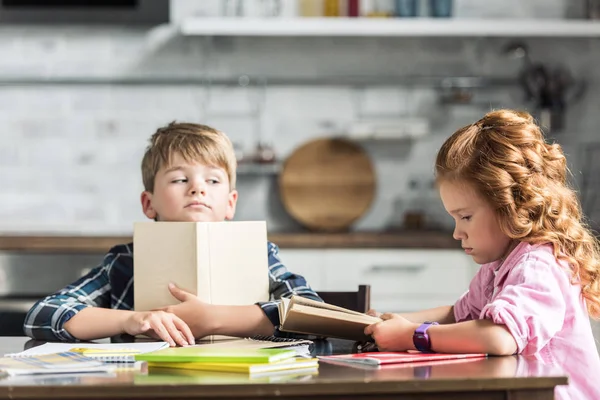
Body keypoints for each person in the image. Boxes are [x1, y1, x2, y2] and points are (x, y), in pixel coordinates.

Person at [365, 109, 600, 399]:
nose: (456, 233)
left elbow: (499, 337)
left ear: (510, 206)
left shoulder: (537, 265)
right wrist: (394, 321)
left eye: (465, 217)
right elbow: (458, 314)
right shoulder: (501, 264)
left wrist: (412, 334)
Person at [24, 122, 322, 346]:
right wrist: (132, 320)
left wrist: (214, 318)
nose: (197, 188)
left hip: (243, 384)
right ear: (148, 203)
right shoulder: (126, 260)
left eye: (213, 180)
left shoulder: (258, 252)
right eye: (180, 178)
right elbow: (43, 314)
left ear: (231, 203)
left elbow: (313, 313)